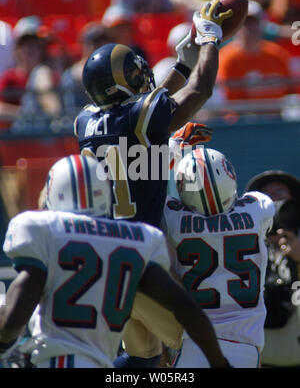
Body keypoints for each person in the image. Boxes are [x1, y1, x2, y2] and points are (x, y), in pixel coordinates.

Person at [74, 0, 233, 367]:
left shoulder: (85, 122)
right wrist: (210, 40)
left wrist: (179, 65)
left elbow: (143, 110)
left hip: (106, 261)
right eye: (134, 74)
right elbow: (200, 91)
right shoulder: (140, 116)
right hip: (140, 260)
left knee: (144, 359)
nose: (143, 78)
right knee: (197, 346)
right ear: (123, 85)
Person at [0, 154, 232, 368]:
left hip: (57, 360)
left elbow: (16, 313)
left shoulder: (40, 229)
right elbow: (186, 307)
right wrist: (220, 364)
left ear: (53, 192)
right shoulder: (136, 239)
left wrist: (5, 346)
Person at [161, 146, 275, 367]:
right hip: (247, 343)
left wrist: (173, 149)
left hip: (194, 340)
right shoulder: (259, 207)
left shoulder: (170, 217)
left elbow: (147, 190)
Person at [245, 170, 300, 367]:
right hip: (260, 355)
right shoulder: (245, 245)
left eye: (280, 192)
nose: (275, 201)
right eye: (267, 196)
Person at [217, 0, 294, 101]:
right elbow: (230, 101)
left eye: (253, 23)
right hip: (244, 115)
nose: (249, 28)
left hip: (277, 114)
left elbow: (291, 89)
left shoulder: (277, 54)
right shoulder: (226, 58)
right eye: (244, 23)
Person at [61, 22, 110, 118]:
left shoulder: (112, 69)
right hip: (78, 121)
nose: (97, 46)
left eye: (102, 40)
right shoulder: (71, 73)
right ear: (83, 44)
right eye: (93, 41)